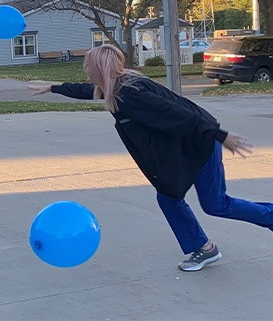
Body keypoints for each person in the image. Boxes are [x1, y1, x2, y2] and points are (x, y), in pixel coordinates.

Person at [28, 44, 270, 272]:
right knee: (170, 198)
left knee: (215, 204)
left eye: (87, 67)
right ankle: (203, 248)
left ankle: (239, 231)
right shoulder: (120, 85)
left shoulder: (130, 96)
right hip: (189, 148)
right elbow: (86, 90)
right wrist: (53, 88)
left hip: (200, 146)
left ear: (99, 70)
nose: (85, 71)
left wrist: (220, 134)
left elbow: (179, 113)